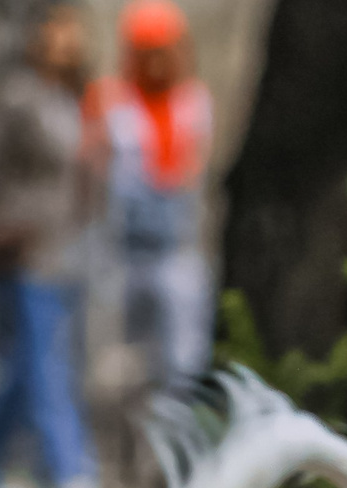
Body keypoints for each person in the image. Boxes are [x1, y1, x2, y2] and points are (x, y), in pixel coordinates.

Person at [0, 2, 101, 488]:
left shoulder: (74, 100)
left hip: (64, 252)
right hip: (23, 252)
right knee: (44, 365)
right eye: (57, 31)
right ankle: (71, 474)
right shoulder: (18, 96)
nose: (67, 40)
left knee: (20, 371)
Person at [89, 1, 215, 399]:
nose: (155, 63)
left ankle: (174, 447)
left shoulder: (193, 102)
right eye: (145, 52)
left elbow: (194, 167)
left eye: (163, 51)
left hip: (175, 248)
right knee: (111, 358)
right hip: (119, 251)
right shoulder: (111, 101)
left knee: (183, 359)